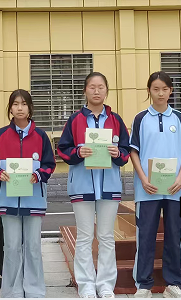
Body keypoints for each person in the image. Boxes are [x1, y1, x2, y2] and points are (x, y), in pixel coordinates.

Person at [57, 72, 131, 299]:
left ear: (106, 91)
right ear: (85, 91)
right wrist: (78, 152)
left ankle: (106, 285)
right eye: (92, 87)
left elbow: (127, 152)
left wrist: (118, 153)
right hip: (82, 186)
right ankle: (86, 285)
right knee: (85, 236)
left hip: (109, 186)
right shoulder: (75, 120)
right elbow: (62, 150)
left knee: (107, 236)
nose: (96, 91)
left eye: (100, 87)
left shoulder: (115, 120)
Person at [0, 89, 56, 298]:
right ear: (10, 108)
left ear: (30, 108)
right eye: (15, 104)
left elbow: (49, 164)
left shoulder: (41, 136)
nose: (20, 108)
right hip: (8, 200)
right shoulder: (0, 135)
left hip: (34, 200)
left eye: (24, 104)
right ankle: (12, 291)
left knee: (33, 247)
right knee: (12, 247)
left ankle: (34, 290)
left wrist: (39, 174)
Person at [129, 72, 181, 298]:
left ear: (170, 91)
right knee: (145, 236)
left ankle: (174, 284)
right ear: (149, 91)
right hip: (147, 189)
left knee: (175, 235)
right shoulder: (140, 118)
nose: (160, 93)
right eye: (156, 89)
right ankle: (143, 285)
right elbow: (133, 151)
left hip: (175, 188)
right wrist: (143, 179)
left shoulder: (179, 118)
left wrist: (180, 177)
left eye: (165, 89)